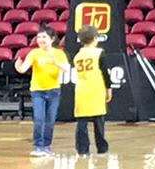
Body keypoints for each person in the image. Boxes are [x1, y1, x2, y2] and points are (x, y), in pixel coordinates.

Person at [14, 28, 64, 156]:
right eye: (39, 37)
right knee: (39, 118)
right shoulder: (34, 53)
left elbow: (66, 68)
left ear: (52, 39)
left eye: (44, 37)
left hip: (54, 90)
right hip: (37, 90)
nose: (40, 40)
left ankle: (47, 145)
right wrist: (18, 67)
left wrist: (55, 62)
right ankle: (38, 146)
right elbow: (24, 68)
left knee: (50, 119)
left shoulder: (59, 53)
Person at [70, 26, 111, 155]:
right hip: (96, 88)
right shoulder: (99, 53)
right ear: (95, 38)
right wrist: (108, 88)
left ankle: (82, 149)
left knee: (81, 122)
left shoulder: (77, 56)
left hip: (81, 89)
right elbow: (105, 73)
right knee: (99, 120)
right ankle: (101, 147)